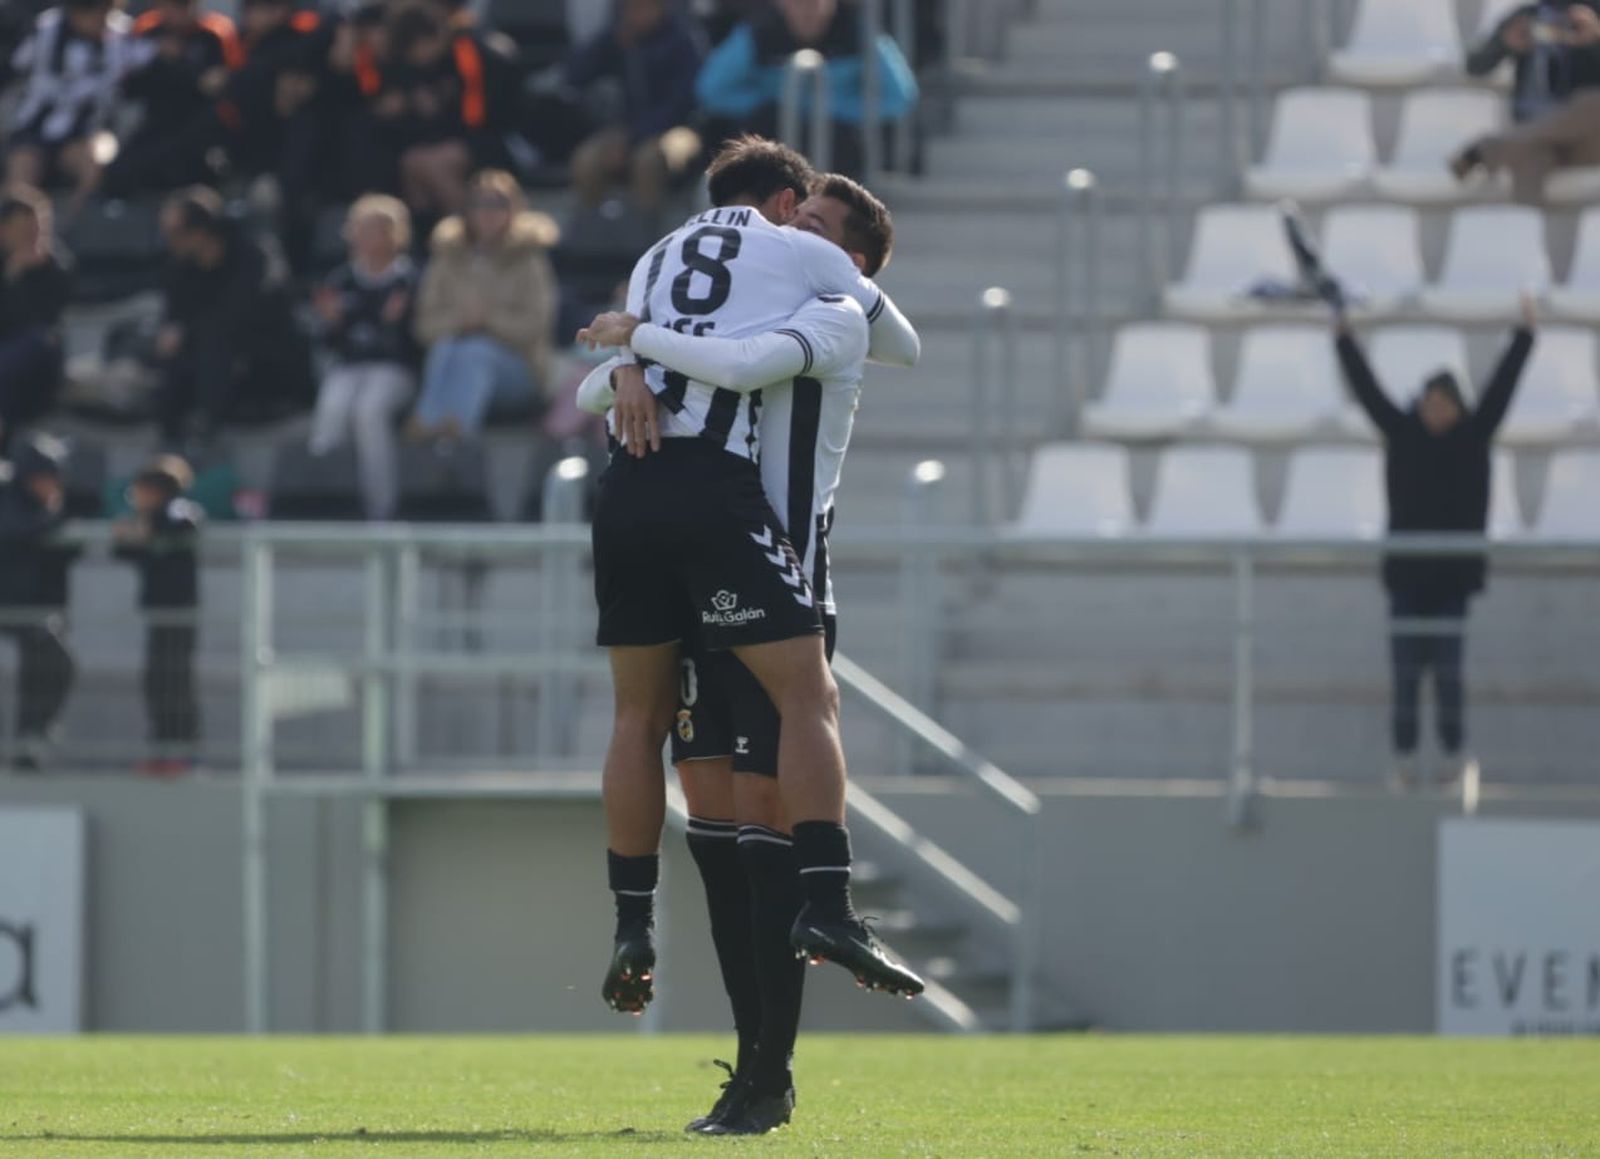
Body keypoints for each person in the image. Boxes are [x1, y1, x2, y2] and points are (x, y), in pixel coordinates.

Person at [581, 136, 922, 1093]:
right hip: (711, 562)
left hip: (783, 575)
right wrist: (630, 371)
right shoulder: (749, 281)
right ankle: (754, 1073)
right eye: (795, 212)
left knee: (770, 846)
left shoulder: (832, 317)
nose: (795, 228)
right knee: (725, 853)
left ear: (851, 262)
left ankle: (774, 1062)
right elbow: (623, 374)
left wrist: (635, 349)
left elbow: (747, 364)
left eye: (816, 225)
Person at [1333, 293, 1537, 788]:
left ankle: (1452, 756)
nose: (1435, 409)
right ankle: (1403, 758)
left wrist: (1524, 336)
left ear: (1456, 407)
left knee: (1447, 670)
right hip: (1407, 576)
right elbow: (1367, 391)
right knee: (1405, 673)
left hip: (1451, 581)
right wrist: (1344, 341)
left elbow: (1501, 389)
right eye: (1429, 401)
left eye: (1444, 402)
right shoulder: (1403, 434)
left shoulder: (1473, 437)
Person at [154, 185, 314, 446]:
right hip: (212, 361)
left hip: (267, 358)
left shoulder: (254, 255)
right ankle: (168, 450)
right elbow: (174, 316)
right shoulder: (179, 267)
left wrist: (186, 331)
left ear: (201, 232)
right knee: (173, 363)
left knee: (211, 342)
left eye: (176, 233)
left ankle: (207, 438)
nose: (169, 241)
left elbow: (236, 315)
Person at [410, 169, 557, 441]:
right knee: (446, 347)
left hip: (520, 371)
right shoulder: (446, 256)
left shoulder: (530, 259)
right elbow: (425, 325)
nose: (488, 212)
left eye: (498, 203)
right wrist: (462, 322)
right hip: (453, 359)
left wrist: (488, 321)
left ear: (514, 209)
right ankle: (430, 426)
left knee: (476, 351)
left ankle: (454, 434)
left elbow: (535, 327)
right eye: (479, 203)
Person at [696, 0, 918, 179]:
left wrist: (830, 107)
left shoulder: (858, 33)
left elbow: (901, 96)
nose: (808, 9)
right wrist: (775, 103)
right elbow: (711, 89)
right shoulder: (757, 34)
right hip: (774, 137)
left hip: (839, 145)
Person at [308, 194, 419, 521]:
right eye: (360, 229)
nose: (365, 238)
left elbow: (415, 341)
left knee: (369, 412)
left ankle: (380, 510)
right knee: (332, 409)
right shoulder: (340, 279)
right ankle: (330, 501)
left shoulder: (409, 279)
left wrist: (398, 323)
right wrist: (331, 322)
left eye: (375, 230)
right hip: (349, 368)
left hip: (395, 371)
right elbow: (330, 341)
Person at [564, 0, 705, 220]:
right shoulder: (619, 37)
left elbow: (683, 104)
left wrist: (632, 138)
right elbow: (574, 74)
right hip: (625, 131)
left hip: (680, 130)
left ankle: (650, 235)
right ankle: (594, 234)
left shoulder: (684, 40)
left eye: (644, 7)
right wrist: (608, 41)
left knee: (648, 160)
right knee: (586, 160)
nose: (636, 13)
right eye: (630, 7)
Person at [1452, 2, 1600, 202]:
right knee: (1529, 164)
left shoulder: (1593, 13)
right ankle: (1522, 225)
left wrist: (1594, 39)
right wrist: (1504, 43)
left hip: (1585, 140)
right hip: (1535, 139)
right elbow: (1474, 66)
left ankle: (1487, 149)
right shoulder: (1525, 17)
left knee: (1593, 102)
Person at [5, 0, 138, 215]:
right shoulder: (47, 29)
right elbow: (17, 65)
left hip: (86, 131)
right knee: (21, 173)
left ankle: (71, 227)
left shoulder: (121, 37)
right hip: (37, 128)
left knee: (97, 162)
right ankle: (13, 231)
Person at [113, 454, 201, 776]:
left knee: (176, 682)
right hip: (158, 613)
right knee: (155, 682)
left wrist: (146, 531)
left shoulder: (177, 513)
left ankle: (184, 754)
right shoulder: (146, 521)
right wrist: (137, 533)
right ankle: (162, 750)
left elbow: (185, 525)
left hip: (179, 614)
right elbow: (121, 550)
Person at [102, 0, 240, 197]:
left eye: (181, 5)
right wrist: (156, 55)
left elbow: (223, 82)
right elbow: (128, 85)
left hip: (200, 121)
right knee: (123, 169)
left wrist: (181, 64)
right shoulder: (147, 30)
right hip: (156, 118)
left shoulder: (215, 33)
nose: (174, 12)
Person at [0, 434, 75, 771]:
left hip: (28, 609)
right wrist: (53, 517)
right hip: (9, 602)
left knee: (55, 664)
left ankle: (31, 740)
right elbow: (16, 529)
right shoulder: (7, 493)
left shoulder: (45, 503)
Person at [0, 187, 72, 453]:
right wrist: (10, 277)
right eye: (23, 231)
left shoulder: (55, 268)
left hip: (38, 356)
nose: (32, 238)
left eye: (37, 230)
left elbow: (39, 322)